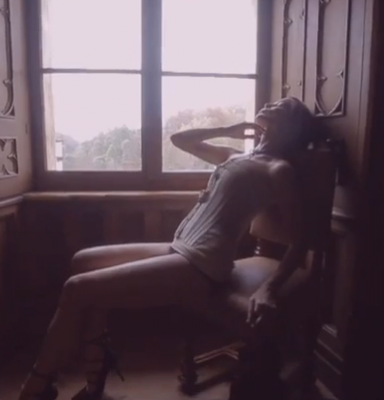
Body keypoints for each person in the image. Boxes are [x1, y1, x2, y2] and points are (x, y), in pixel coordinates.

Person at [18, 97, 315, 400]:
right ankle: (96, 373)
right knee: (82, 261)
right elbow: (179, 139)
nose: (271, 105)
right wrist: (228, 129)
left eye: (282, 107)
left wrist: (268, 288)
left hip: (203, 265)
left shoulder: (278, 170)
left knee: (76, 288)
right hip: (179, 247)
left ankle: (37, 386)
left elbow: (301, 240)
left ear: (292, 127)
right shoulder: (235, 155)